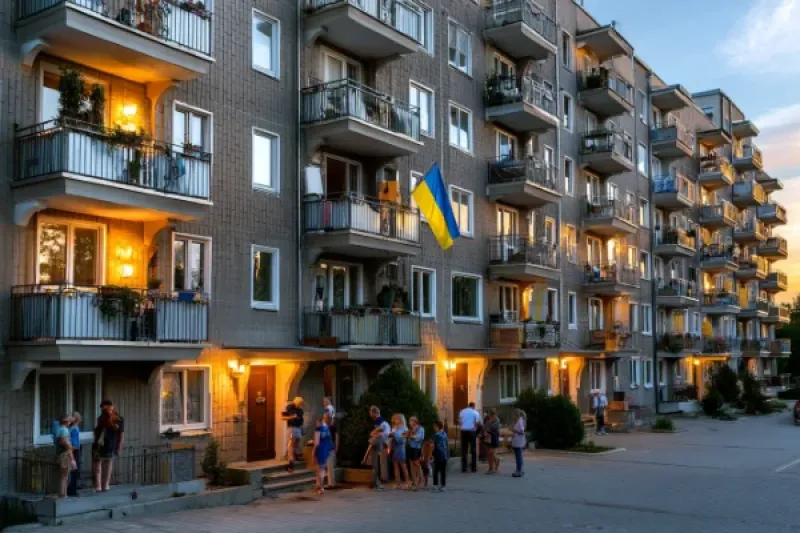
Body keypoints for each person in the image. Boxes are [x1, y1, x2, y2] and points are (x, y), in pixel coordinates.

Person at [92, 400, 123, 492]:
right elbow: (121, 435)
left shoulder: (110, 418)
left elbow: (120, 434)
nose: (102, 409)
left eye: (103, 407)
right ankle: (103, 485)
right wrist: (119, 447)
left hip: (104, 444)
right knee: (104, 463)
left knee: (101, 463)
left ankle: (101, 485)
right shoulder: (117, 419)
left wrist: (119, 447)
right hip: (105, 444)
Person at [368, 406, 390, 490]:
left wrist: (372, 434)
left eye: (371, 413)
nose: (371, 415)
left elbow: (377, 432)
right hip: (380, 442)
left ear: (375, 413)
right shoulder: (383, 421)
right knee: (375, 464)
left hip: (377, 443)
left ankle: (375, 483)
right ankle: (375, 482)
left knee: (375, 464)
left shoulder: (379, 421)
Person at [281, 397, 304, 473]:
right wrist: (292, 417)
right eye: (300, 403)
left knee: (294, 446)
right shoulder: (289, 407)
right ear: (296, 402)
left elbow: (301, 420)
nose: (301, 405)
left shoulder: (300, 410)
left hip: (298, 429)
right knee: (291, 446)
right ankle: (291, 465)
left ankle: (292, 460)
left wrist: (302, 429)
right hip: (292, 428)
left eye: (302, 403)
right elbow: (283, 417)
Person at [312, 414, 333, 495]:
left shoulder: (318, 429)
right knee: (323, 469)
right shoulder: (326, 428)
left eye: (316, 422)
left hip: (320, 450)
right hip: (327, 449)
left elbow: (316, 443)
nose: (316, 424)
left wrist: (313, 452)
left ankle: (321, 487)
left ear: (319, 422)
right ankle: (321, 486)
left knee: (320, 469)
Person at [389, 414, 410, 489]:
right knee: (395, 465)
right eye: (394, 419)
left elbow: (404, 437)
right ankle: (398, 483)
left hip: (400, 447)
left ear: (401, 419)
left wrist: (395, 435)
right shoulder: (394, 427)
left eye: (396, 419)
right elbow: (391, 438)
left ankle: (407, 483)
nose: (395, 420)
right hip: (394, 447)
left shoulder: (404, 428)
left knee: (403, 465)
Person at [459, 401, 481, 473]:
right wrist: (476, 431)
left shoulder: (462, 411)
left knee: (464, 450)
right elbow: (477, 423)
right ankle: (473, 468)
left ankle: (464, 468)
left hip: (464, 431)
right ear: (473, 406)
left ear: (468, 406)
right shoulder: (475, 412)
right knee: (473, 450)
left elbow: (460, 422)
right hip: (472, 432)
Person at [55, 414, 74, 499]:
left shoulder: (58, 429)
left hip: (60, 454)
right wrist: (70, 447)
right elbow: (63, 441)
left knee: (63, 476)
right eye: (70, 421)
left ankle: (63, 494)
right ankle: (63, 494)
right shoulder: (64, 430)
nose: (70, 423)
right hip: (65, 454)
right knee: (65, 476)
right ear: (67, 422)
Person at [407, 416, 424, 490]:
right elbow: (408, 438)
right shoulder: (411, 429)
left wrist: (411, 437)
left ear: (415, 421)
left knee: (416, 464)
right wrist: (408, 436)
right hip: (411, 447)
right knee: (411, 464)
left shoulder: (421, 428)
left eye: (411, 421)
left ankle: (420, 479)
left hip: (416, 448)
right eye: (409, 421)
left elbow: (419, 438)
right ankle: (414, 482)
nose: (410, 423)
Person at [431, 420, 448, 492]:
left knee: (436, 470)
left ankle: (435, 485)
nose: (434, 427)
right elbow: (446, 445)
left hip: (437, 454)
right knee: (443, 471)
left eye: (434, 426)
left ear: (437, 426)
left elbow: (433, 446)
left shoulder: (436, 435)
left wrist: (431, 454)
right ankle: (443, 486)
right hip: (444, 454)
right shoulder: (445, 434)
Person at [68, 412, 82, 496]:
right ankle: (72, 490)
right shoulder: (74, 428)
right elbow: (75, 443)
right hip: (74, 450)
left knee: (72, 470)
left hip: (73, 449)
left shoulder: (72, 428)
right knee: (74, 470)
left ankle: (71, 489)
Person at [483, 408, 501, 474]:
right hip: (488, 438)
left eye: (492, 413)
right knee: (489, 454)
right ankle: (490, 468)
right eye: (490, 413)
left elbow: (493, 428)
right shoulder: (487, 419)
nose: (490, 414)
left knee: (492, 453)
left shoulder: (497, 420)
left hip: (494, 437)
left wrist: (488, 429)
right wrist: (485, 431)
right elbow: (485, 427)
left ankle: (497, 461)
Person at [511, 409, 527, 478]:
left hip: (518, 442)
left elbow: (522, 432)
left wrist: (514, 430)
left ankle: (519, 471)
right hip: (517, 441)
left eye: (513, 415)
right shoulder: (518, 421)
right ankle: (519, 470)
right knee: (518, 456)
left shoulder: (520, 421)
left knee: (518, 456)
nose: (512, 416)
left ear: (516, 415)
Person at [325, 411, 339, 489]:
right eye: (326, 418)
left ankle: (331, 483)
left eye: (327, 418)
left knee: (330, 466)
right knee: (328, 466)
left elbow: (336, 438)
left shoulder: (333, 428)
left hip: (330, 449)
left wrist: (336, 448)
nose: (326, 420)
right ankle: (330, 483)